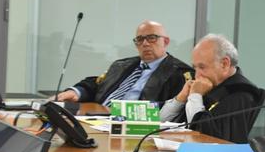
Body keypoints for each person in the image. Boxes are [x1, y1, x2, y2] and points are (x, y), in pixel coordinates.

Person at [56, 20, 191, 107]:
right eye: (140, 39)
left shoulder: (180, 74)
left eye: (152, 38)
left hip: (135, 128)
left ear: (165, 42)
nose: (145, 43)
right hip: (98, 120)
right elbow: (98, 85)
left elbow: (174, 108)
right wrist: (77, 92)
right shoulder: (122, 65)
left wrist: (126, 110)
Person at [159, 34, 264, 143]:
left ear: (224, 64)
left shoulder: (241, 94)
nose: (197, 75)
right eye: (195, 68)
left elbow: (205, 137)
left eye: (202, 67)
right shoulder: (205, 86)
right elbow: (159, 122)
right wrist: (180, 99)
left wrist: (195, 96)